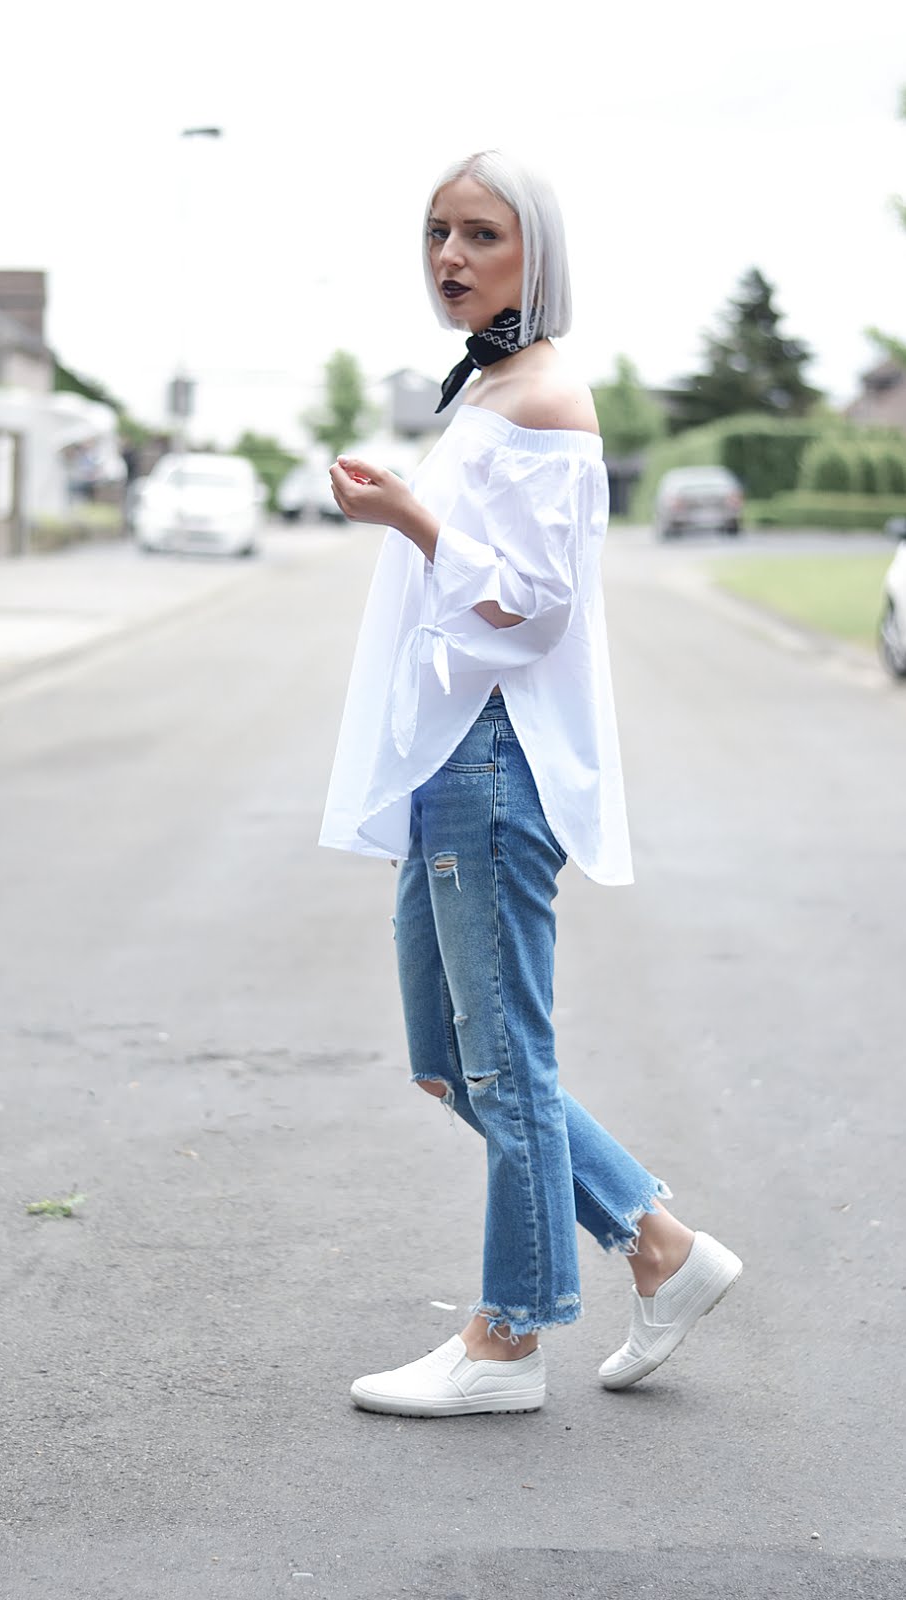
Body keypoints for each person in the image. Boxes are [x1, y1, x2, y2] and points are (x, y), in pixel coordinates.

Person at [319, 149, 741, 1419]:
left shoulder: (546, 397)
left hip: (492, 759)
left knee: (500, 1060)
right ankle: (659, 1247)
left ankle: (506, 1342)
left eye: (480, 235)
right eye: (437, 233)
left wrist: (410, 516)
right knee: (453, 1058)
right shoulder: (496, 384)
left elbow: (535, 604)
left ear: (535, 253)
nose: (450, 256)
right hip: (452, 757)